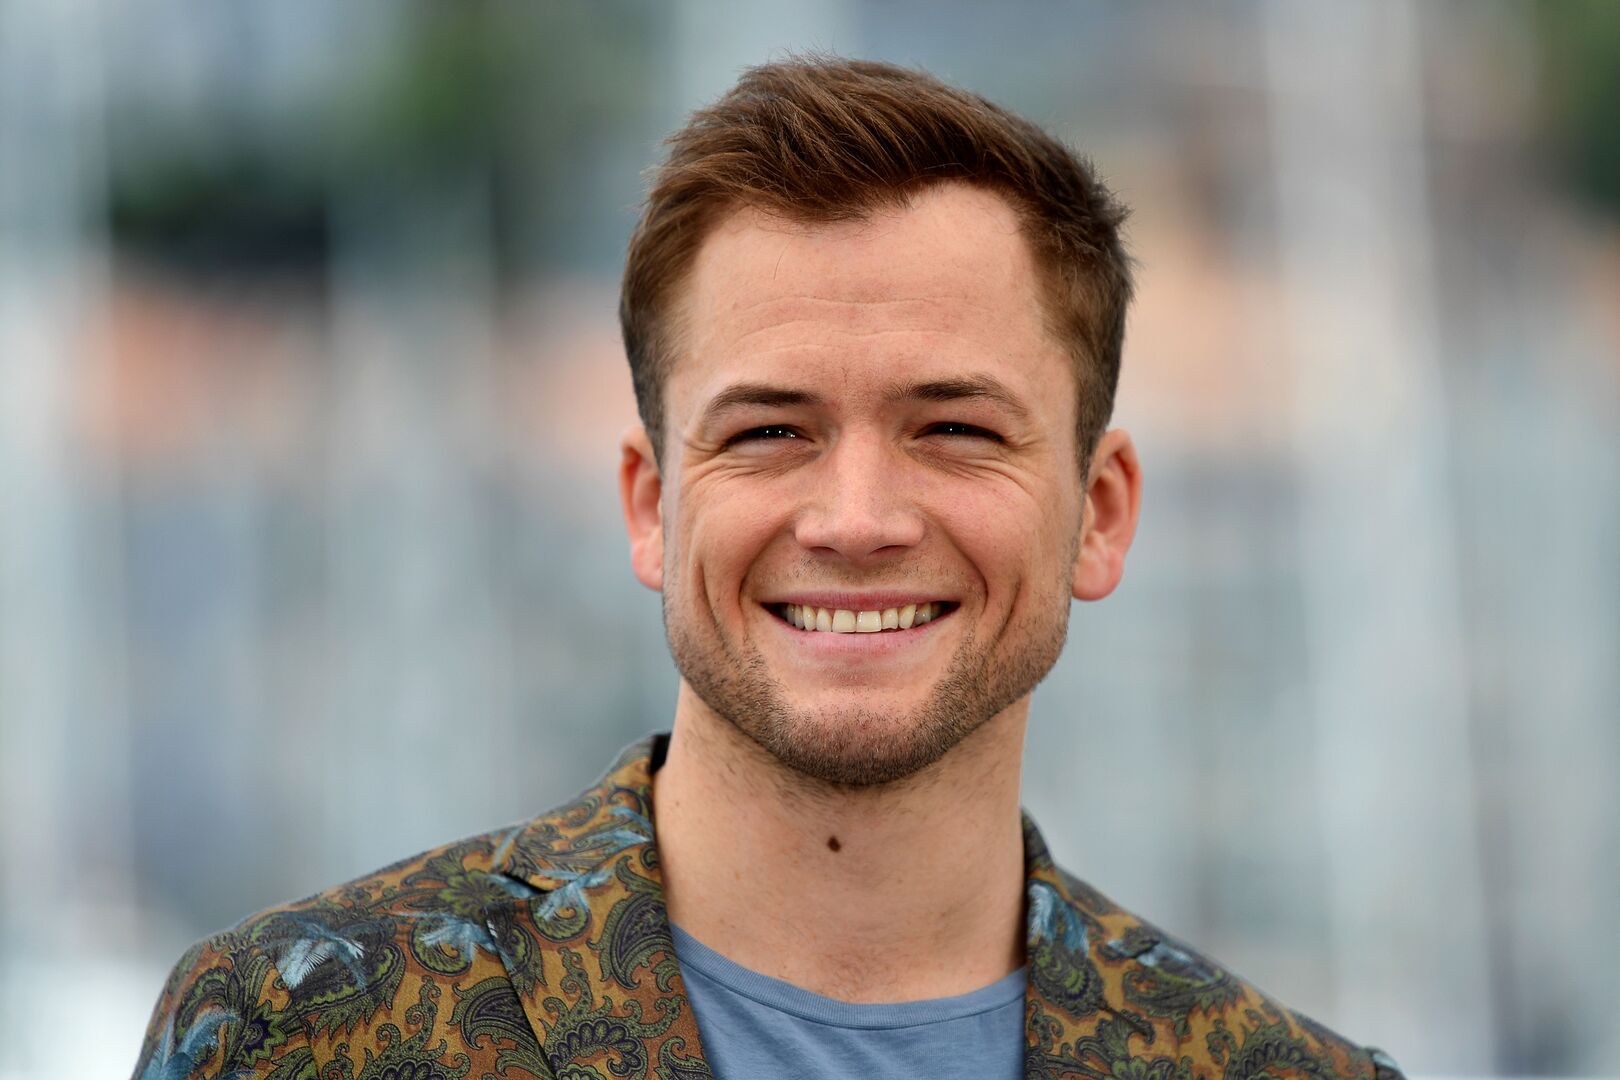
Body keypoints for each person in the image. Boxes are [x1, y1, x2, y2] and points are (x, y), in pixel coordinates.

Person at [133, 56, 1403, 1080]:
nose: (856, 520)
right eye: (769, 433)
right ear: (651, 506)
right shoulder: (306, 1035)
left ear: (1101, 514)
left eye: (955, 429)